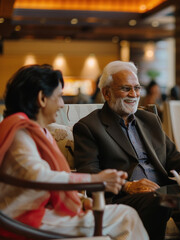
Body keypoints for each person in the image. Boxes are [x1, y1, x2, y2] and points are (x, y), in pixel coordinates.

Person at [72, 60, 180, 239]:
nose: (134, 94)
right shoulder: (88, 127)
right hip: (123, 198)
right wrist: (129, 186)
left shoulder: (149, 120)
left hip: (162, 191)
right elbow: (89, 173)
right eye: (126, 88)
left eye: (137, 88)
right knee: (158, 200)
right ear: (106, 93)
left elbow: (173, 159)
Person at [0, 65, 148, 240]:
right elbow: (38, 176)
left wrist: (82, 199)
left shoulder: (35, 131)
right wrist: (96, 180)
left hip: (39, 212)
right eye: (59, 97)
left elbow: (45, 180)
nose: (62, 104)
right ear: (42, 98)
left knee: (124, 215)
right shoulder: (21, 133)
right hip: (26, 219)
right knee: (126, 216)